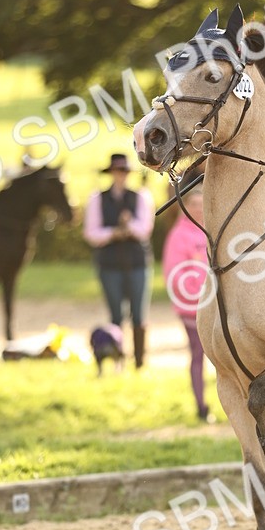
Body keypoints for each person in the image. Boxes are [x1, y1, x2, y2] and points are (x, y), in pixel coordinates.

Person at [83, 153, 155, 367]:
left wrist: (129, 224)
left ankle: (140, 361)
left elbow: (144, 230)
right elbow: (92, 232)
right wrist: (115, 233)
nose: (120, 176)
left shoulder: (141, 196)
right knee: (115, 313)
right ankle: (118, 357)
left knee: (139, 314)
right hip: (110, 262)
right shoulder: (98, 198)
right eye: (117, 171)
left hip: (136, 261)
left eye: (124, 171)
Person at [162, 182, 214, 421]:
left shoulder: (212, 231)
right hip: (192, 307)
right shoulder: (179, 235)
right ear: (185, 207)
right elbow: (174, 274)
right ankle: (201, 406)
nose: (198, 209)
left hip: (216, 305)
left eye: (201, 204)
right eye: (193, 205)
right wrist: (197, 298)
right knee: (197, 354)